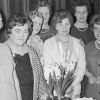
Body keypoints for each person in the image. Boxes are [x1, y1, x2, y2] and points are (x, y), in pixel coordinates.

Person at [43, 10, 86, 99]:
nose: (64, 27)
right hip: (55, 91)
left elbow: (81, 68)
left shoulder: (78, 43)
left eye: (67, 24)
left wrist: (72, 86)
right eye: (60, 24)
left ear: (71, 24)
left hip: (74, 90)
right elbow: (48, 68)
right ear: (55, 26)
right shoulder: (48, 43)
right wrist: (61, 88)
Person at [0, 14, 44, 100]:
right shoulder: (3, 52)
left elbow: (40, 79)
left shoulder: (32, 52)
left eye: (25, 31)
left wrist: (43, 95)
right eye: (17, 31)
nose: (22, 35)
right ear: (9, 32)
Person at [70, 0, 95, 97]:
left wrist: (86, 49)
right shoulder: (69, 30)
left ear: (88, 13)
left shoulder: (94, 30)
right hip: (74, 77)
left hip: (91, 76)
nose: (81, 15)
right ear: (74, 13)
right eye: (78, 12)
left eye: (84, 12)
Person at [85, 14, 100, 100]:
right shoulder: (87, 47)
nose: (98, 33)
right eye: (96, 29)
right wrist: (89, 75)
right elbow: (82, 66)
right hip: (91, 91)